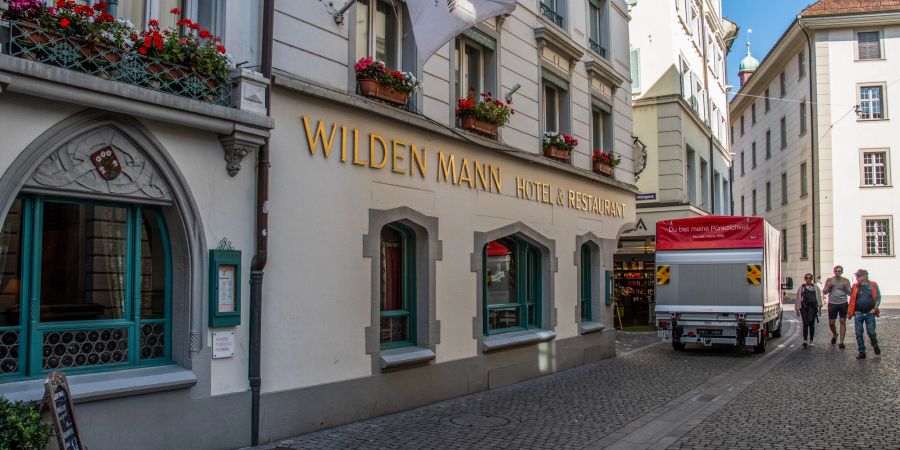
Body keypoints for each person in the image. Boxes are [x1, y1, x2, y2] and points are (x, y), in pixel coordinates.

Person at [848, 269, 881, 359]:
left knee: (871, 332)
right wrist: (850, 312)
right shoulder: (855, 286)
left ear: (865, 276)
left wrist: (875, 308)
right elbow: (852, 300)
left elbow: (878, 297)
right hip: (858, 313)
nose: (857, 278)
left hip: (870, 312)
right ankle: (861, 351)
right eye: (857, 276)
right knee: (859, 333)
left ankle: (875, 345)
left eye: (859, 276)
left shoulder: (873, 285)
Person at [823, 265, 852, 348]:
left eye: (839, 271)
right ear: (834, 271)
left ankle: (842, 342)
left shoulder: (846, 280)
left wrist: (846, 287)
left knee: (842, 321)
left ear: (842, 272)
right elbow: (824, 292)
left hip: (843, 303)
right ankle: (835, 334)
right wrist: (829, 287)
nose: (837, 272)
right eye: (835, 271)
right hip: (832, 303)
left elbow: (850, 293)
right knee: (831, 323)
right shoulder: (829, 280)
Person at [795, 273, 822, 348]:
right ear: (805, 279)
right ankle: (805, 340)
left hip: (813, 308)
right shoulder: (802, 287)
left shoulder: (815, 287)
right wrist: (797, 309)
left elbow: (818, 298)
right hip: (804, 308)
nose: (808, 279)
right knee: (805, 323)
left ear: (812, 279)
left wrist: (819, 309)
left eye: (810, 278)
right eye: (807, 278)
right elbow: (798, 298)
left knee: (812, 324)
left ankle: (811, 340)